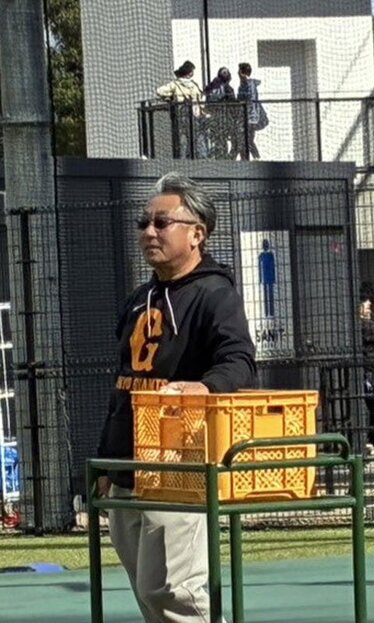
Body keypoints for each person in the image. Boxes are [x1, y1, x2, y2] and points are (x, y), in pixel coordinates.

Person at [96, 173, 256, 623]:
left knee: (171, 591)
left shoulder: (214, 294)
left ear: (197, 233)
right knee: (149, 596)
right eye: (144, 222)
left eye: (162, 222)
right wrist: (107, 462)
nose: (149, 231)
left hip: (177, 466)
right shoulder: (139, 298)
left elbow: (239, 359)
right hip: (128, 467)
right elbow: (124, 382)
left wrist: (205, 387)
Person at [157, 60, 206, 159]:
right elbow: (201, 99)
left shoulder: (175, 84)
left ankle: (182, 161)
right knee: (198, 140)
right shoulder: (194, 85)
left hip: (181, 116)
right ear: (190, 73)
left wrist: (170, 98)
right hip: (195, 116)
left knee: (182, 140)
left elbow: (159, 91)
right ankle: (201, 160)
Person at [204, 67, 237, 159]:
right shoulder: (228, 89)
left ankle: (219, 157)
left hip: (213, 117)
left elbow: (206, 98)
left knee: (217, 140)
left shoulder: (211, 87)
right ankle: (224, 158)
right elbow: (233, 105)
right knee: (225, 140)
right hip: (225, 118)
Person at [236, 62, 264, 160]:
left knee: (248, 139)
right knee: (244, 140)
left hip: (250, 117)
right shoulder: (243, 84)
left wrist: (246, 110)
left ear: (241, 72)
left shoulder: (249, 84)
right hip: (245, 117)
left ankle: (256, 158)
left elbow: (250, 100)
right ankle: (246, 159)